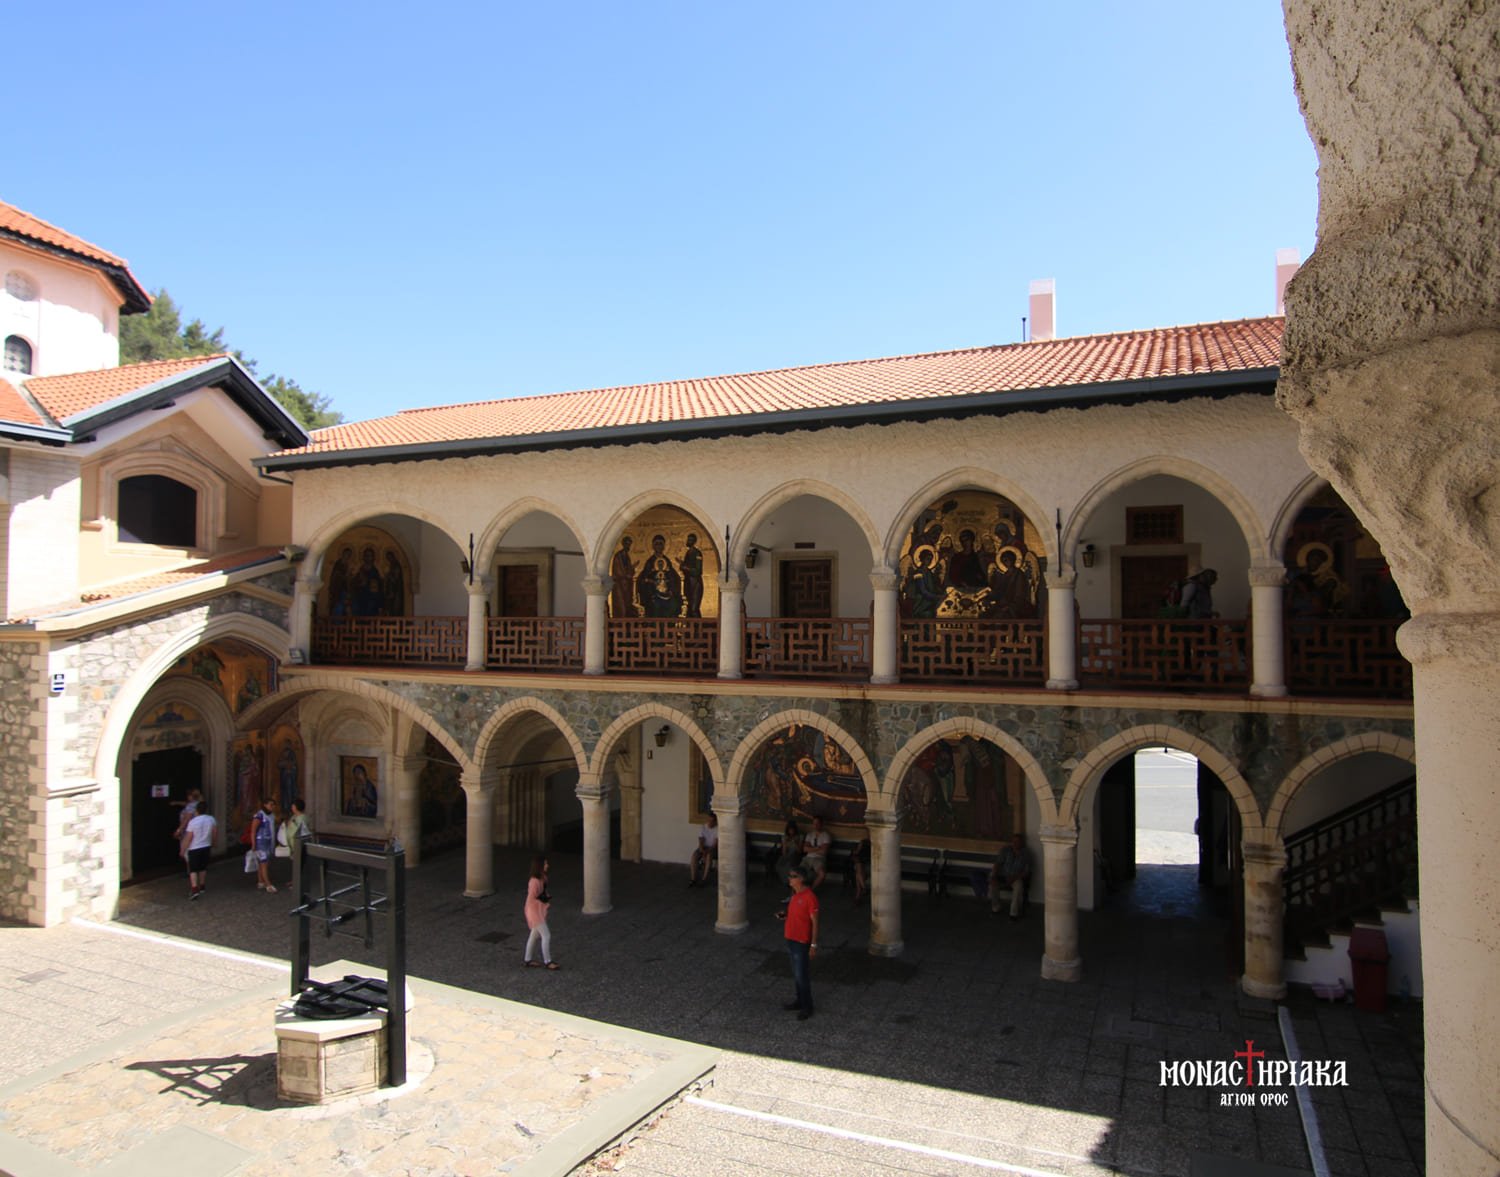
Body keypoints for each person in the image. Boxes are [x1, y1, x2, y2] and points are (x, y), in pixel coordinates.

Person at [781, 867, 819, 1020]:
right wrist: (785, 915)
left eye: (793, 876)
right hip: (790, 937)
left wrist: (813, 945)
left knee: (801, 975)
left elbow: (815, 923)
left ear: (801, 879)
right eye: (789, 876)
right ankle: (799, 1000)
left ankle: (807, 1006)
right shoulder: (795, 895)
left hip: (801, 941)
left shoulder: (810, 897)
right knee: (797, 974)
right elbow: (795, 913)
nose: (790, 879)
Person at [522, 855, 559, 969]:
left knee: (534, 935)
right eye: (545, 863)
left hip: (536, 909)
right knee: (546, 935)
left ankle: (528, 960)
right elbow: (532, 897)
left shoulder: (542, 877)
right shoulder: (535, 881)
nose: (547, 865)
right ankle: (548, 961)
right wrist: (542, 899)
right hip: (534, 911)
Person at [989, 832, 1032, 920]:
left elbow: (1026, 871)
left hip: (1016, 877)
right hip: (1003, 875)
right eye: (1014, 841)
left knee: (1019, 886)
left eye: (1018, 842)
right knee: (993, 885)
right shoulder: (1006, 850)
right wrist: (993, 875)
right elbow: (997, 863)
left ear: (1022, 843)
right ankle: (995, 907)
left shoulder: (1026, 854)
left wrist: (1014, 878)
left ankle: (1013, 913)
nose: (1015, 844)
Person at [180, 803, 216, 900]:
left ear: (196, 810)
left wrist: (183, 849)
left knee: (193, 869)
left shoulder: (193, 822)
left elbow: (188, 837)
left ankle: (194, 889)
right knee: (203, 867)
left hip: (194, 847)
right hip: (206, 846)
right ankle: (202, 886)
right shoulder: (211, 819)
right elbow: (214, 832)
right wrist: (213, 843)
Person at [251, 797, 279, 893]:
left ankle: (260, 881)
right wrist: (254, 844)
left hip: (269, 841)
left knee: (262, 863)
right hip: (261, 842)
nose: (273, 807)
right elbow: (253, 831)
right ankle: (268, 884)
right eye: (271, 805)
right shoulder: (259, 816)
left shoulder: (272, 815)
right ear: (265, 805)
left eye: (273, 805)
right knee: (264, 863)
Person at [800, 815, 832, 889]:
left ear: (821, 824)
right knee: (797, 873)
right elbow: (805, 849)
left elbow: (824, 852)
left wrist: (811, 848)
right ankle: (793, 895)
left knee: (822, 874)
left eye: (817, 823)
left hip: (819, 859)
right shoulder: (810, 835)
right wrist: (818, 848)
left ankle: (810, 891)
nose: (816, 825)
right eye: (814, 824)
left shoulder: (826, 835)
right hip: (808, 858)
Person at [689, 812, 718, 886]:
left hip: (712, 848)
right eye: (708, 820)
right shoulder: (703, 827)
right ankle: (693, 879)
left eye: (711, 821)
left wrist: (706, 852)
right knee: (694, 856)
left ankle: (704, 879)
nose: (709, 823)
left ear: (715, 821)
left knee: (708, 856)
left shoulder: (717, 829)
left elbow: (715, 844)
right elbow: (701, 840)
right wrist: (702, 849)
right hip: (703, 847)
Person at [850, 828, 871, 904]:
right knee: (859, 868)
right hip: (860, 861)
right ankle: (864, 888)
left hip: (869, 863)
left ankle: (858, 895)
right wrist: (855, 851)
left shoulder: (876, 842)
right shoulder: (863, 842)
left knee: (858, 874)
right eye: (869, 832)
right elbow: (857, 852)